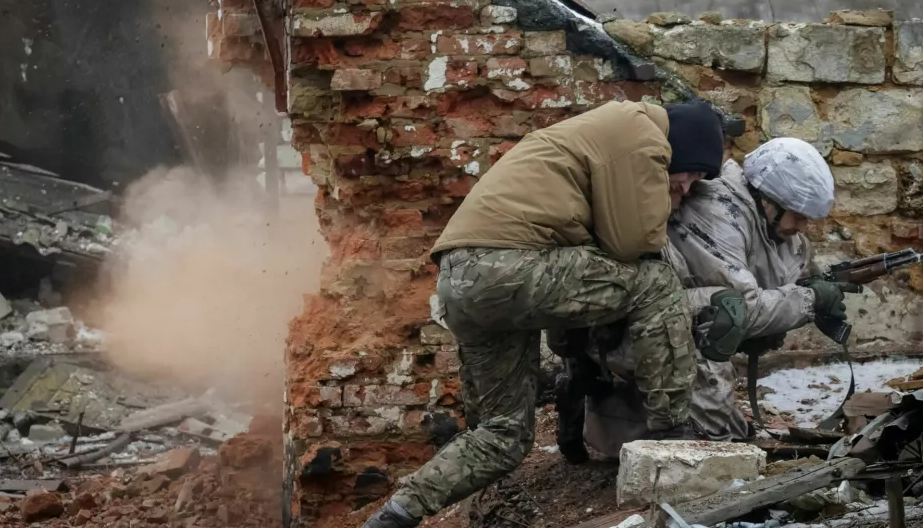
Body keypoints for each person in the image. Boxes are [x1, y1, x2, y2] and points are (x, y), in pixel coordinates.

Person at [361, 98, 727, 528]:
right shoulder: (640, 132)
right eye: (688, 179)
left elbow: (574, 291)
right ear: (683, 150)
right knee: (654, 280)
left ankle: (396, 514)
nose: (684, 192)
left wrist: (577, 374)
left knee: (503, 436)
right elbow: (633, 243)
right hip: (505, 267)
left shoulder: (598, 136)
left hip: (464, 282)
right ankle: (671, 434)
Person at [565, 137, 854, 458]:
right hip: (635, 334)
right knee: (717, 443)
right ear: (769, 201)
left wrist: (817, 287)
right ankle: (617, 413)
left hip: (670, 328)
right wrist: (810, 301)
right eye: (798, 215)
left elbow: (779, 277)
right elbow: (744, 307)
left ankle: (615, 412)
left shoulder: (763, 220)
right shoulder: (716, 214)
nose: (802, 227)